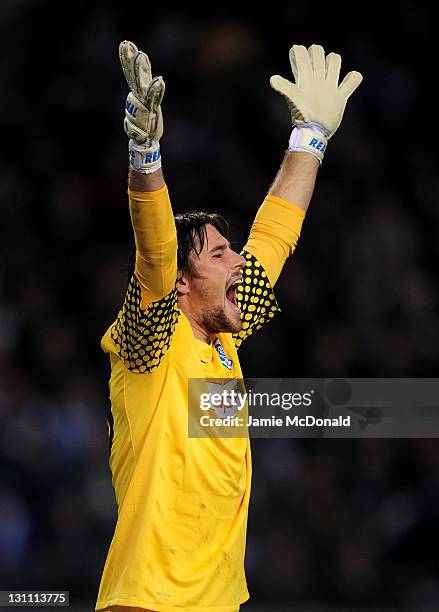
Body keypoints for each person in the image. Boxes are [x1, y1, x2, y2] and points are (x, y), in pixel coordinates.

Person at [95, 40, 362, 612]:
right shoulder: (152, 349)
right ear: (182, 286)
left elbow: (274, 237)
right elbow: (156, 253)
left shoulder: (224, 339)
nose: (239, 261)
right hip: (149, 602)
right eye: (219, 254)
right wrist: (146, 156)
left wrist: (310, 137)